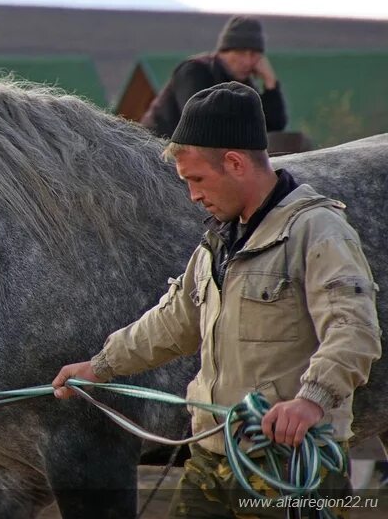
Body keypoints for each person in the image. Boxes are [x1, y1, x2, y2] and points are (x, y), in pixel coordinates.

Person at [53, 82, 381, 517]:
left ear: (234, 163)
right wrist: (100, 367)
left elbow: (354, 329)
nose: (193, 195)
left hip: (293, 465)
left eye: (197, 179)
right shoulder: (219, 241)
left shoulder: (318, 231)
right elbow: (173, 321)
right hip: (213, 457)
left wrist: (311, 400)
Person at [141, 16, 288, 139]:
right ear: (224, 51)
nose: (248, 61)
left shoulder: (245, 86)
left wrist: (270, 83)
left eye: (254, 54)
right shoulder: (195, 70)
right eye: (241, 53)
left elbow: (273, 126)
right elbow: (199, 119)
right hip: (157, 152)